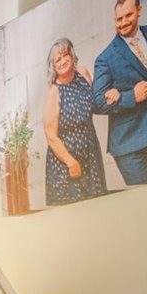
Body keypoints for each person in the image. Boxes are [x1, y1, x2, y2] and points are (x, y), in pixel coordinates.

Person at [91, 0, 147, 186]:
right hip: (130, 146)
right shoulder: (105, 58)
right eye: (118, 19)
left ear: (139, 10)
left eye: (128, 15)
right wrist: (131, 96)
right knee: (144, 207)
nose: (123, 22)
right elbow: (98, 103)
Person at [41, 38, 107, 207]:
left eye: (65, 55)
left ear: (72, 55)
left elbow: (96, 105)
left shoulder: (83, 74)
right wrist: (71, 162)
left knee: (99, 208)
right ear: (53, 66)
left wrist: (111, 93)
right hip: (67, 166)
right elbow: (51, 136)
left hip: (91, 157)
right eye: (58, 60)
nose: (63, 61)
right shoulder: (54, 93)